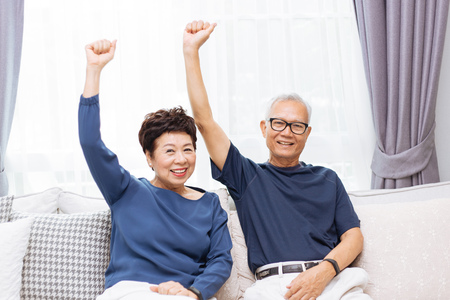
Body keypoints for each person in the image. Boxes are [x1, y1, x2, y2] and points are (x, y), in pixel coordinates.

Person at [183, 21, 371, 300]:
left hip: (331, 281)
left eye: (296, 126)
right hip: (274, 287)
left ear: (307, 134)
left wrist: (324, 272)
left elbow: (353, 237)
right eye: (279, 123)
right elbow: (204, 121)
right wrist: (191, 51)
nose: (287, 132)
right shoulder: (246, 176)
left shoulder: (328, 179)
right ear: (264, 128)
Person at [79, 39, 232, 300]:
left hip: (185, 295)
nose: (181, 159)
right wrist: (94, 70)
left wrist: (193, 292)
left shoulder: (210, 205)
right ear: (149, 157)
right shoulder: (125, 190)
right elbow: (90, 143)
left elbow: (220, 261)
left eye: (188, 149)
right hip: (131, 292)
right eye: (169, 151)